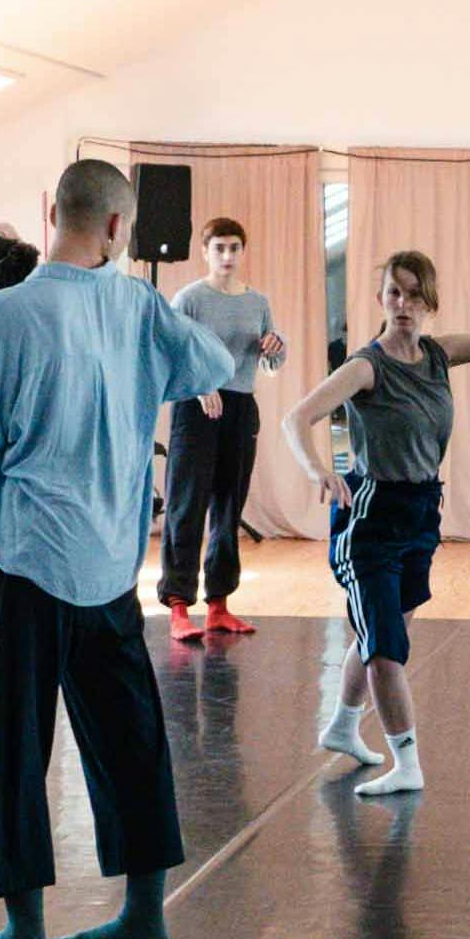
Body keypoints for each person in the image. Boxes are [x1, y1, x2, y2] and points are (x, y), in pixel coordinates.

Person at [0, 159, 232, 939]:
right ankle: (144, 917)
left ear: (50, 212)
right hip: (109, 566)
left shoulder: (5, 313)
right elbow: (210, 365)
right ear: (115, 228)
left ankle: (26, 933)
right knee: (130, 741)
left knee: (12, 748)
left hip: (32, 562)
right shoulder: (138, 303)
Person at [284, 248, 470, 797]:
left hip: (423, 510)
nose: (403, 303)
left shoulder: (437, 355)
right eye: (393, 293)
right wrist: (322, 471)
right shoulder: (365, 366)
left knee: (384, 628)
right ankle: (407, 762)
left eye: (413, 293)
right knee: (385, 647)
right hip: (370, 517)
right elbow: (297, 417)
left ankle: (341, 726)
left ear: (430, 301)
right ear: (381, 299)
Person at [162, 215, 288, 643]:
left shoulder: (258, 303)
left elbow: (269, 365)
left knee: (228, 506)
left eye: (234, 247)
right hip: (197, 406)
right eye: (220, 248)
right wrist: (200, 386)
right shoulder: (189, 299)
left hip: (239, 404)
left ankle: (219, 605)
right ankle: (179, 606)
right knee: (186, 504)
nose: (228, 256)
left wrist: (274, 348)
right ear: (206, 251)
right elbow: (170, 355)